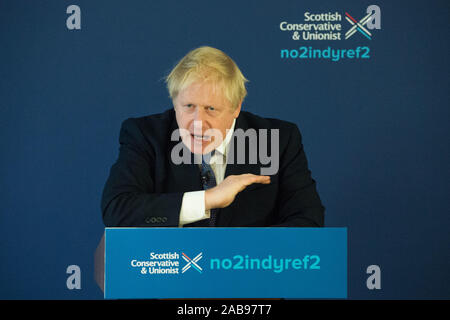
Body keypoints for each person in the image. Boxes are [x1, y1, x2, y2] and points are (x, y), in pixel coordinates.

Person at [101, 46, 324, 227]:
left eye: (211, 109)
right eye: (188, 106)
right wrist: (209, 199)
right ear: (174, 101)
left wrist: (236, 259)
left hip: (249, 273)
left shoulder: (278, 139)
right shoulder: (145, 135)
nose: (198, 122)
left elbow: (308, 220)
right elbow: (117, 210)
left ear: (236, 107)